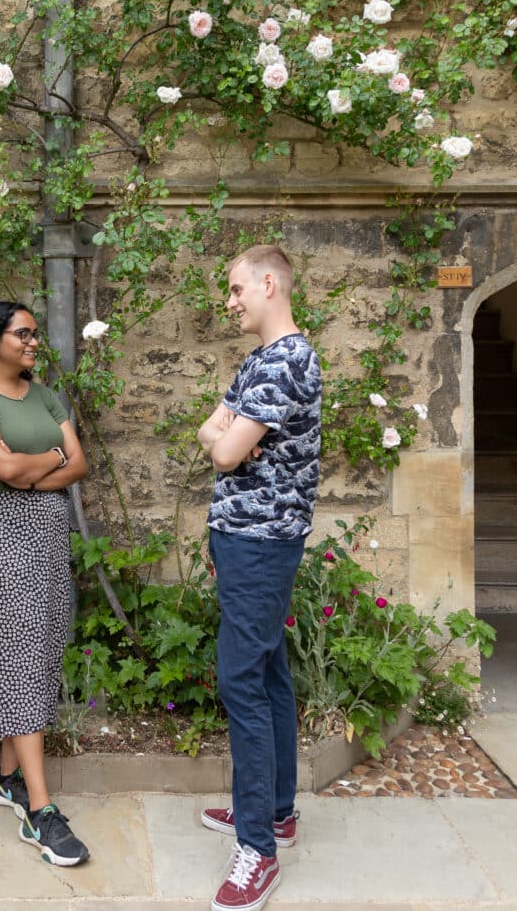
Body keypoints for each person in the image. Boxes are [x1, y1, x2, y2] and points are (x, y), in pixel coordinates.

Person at [194, 244, 321, 911]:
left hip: (259, 542)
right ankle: (275, 811)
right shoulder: (260, 362)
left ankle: (258, 852)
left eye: (239, 288)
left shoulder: (283, 363)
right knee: (268, 672)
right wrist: (224, 437)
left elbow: (224, 449)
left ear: (270, 283)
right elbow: (210, 430)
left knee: (241, 679)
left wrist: (226, 439)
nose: (231, 300)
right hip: (247, 538)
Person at [0, 301, 91, 866]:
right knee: (19, 655)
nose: (33, 342)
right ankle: (40, 809)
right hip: (1, 535)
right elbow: (3, 471)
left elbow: (78, 465)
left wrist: (40, 463)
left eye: (35, 334)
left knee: (37, 647)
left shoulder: (42, 391)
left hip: (49, 531)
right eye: (23, 333)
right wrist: (49, 457)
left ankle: (6, 777)